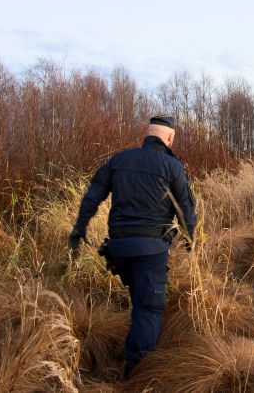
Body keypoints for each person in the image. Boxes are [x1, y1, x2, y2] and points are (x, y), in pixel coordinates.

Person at [67, 115, 196, 379]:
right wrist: (189, 240)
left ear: (147, 135)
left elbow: (92, 195)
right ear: (169, 137)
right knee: (149, 309)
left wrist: (79, 228)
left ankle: (134, 343)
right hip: (150, 251)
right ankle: (137, 373)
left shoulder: (120, 160)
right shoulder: (172, 166)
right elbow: (187, 209)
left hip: (119, 250)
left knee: (140, 299)